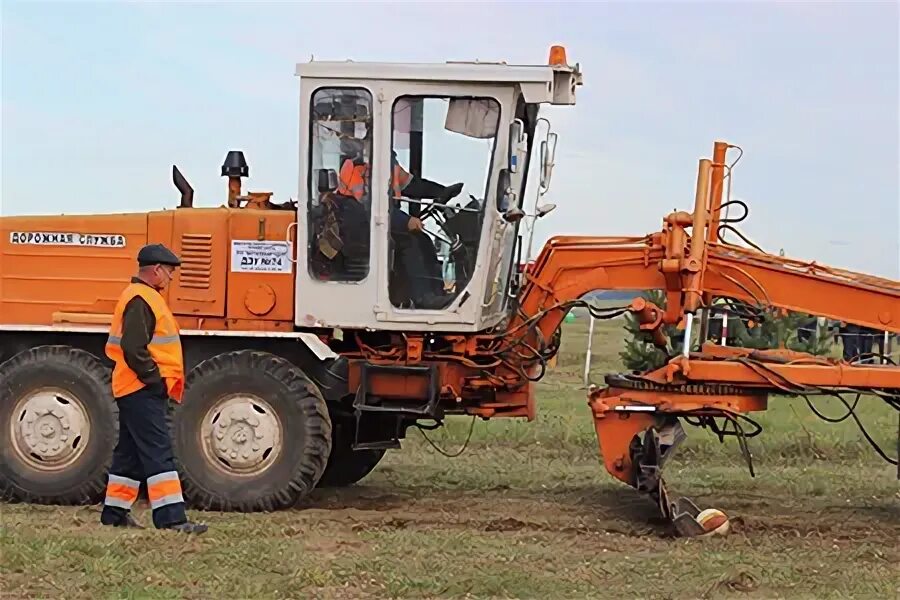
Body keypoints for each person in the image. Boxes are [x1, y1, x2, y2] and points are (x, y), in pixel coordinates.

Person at [100, 243, 207, 534]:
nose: (171, 278)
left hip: (134, 387)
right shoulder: (141, 298)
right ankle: (172, 519)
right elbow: (134, 348)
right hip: (141, 388)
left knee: (130, 452)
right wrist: (155, 381)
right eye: (170, 272)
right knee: (158, 450)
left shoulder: (143, 297)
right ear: (157, 270)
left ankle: (115, 514)